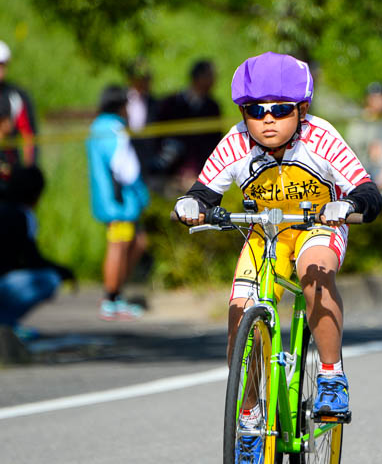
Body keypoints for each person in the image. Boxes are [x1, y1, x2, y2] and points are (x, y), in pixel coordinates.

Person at [173, 52, 382, 463]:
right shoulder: (236, 141)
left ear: (302, 110)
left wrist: (349, 205)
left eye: (281, 109)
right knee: (238, 314)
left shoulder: (321, 137)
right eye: (255, 110)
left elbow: (367, 191)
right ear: (243, 112)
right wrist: (190, 204)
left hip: (318, 225)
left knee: (313, 272)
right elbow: (204, 191)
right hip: (265, 232)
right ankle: (250, 416)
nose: (267, 119)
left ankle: (329, 375)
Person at [86, 85, 149, 321]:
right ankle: (111, 299)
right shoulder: (114, 129)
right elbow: (126, 169)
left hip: (111, 201)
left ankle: (115, 296)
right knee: (119, 245)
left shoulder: (98, 127)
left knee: (135, 242)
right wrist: (141, 193)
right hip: (120, 202)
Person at [0, 165, 75, 339]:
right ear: (36, 195)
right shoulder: (23, 215)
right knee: (48, 279)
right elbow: (32, 259)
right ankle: (5, 324)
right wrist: (64, 271)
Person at [151, 59, 221, 192]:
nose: (213, 82)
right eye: (210, 76)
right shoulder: (170, 103)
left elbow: (213, 143)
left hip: (199, 175)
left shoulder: (212, 108)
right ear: (199, 77)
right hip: (169, 174)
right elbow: (158, 137)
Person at [0, 40, 37, 182]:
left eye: (2, 65)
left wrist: (29, 169)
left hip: (10, 170)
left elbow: (28, 135)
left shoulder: (15, 96)